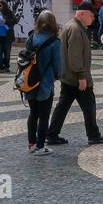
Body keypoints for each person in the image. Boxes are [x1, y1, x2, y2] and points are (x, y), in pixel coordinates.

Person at [48, 2, 103, 146]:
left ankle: (51, 134)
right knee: (89, 106)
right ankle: (93, 136)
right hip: (76, 77)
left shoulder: (72, 26)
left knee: (63, 106)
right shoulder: (75, 29)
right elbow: (74, 56)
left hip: (69, 76)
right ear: (82, 14)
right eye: (91, 15)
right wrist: (82, 76)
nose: (93, 18)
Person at [23, 10, 63, 155]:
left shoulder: (31, 37)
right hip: (45, 83)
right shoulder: (54, 41)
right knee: (44, 116)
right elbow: (58, 65)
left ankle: (31, 144)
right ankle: (40, 146)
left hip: (29, 81)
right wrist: (58, 76)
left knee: (33, 113)